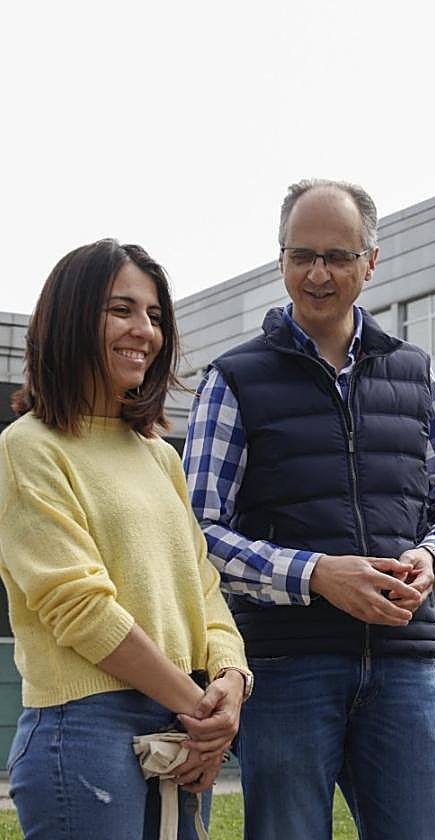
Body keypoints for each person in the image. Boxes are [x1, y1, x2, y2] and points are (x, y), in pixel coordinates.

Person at [183, 179, 435, 840]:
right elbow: (196, 536)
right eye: (302, 255)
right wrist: (315, 574)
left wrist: (431, 555)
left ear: (370, 262)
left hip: (404, 666)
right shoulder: (233, 379)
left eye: (339, 256)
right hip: (289, 670)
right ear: (281, 259)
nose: (318, 273)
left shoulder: (414, 374)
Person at [0, 239, 250, 840]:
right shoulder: (28, 447)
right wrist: (198, 709)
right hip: (85, 732)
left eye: (155, 316)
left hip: (182, 725)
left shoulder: (160, 456)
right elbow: (80, 608)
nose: (145, 330)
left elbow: (204, 586)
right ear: (70, 318)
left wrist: (230, 685)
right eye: (122, 310)